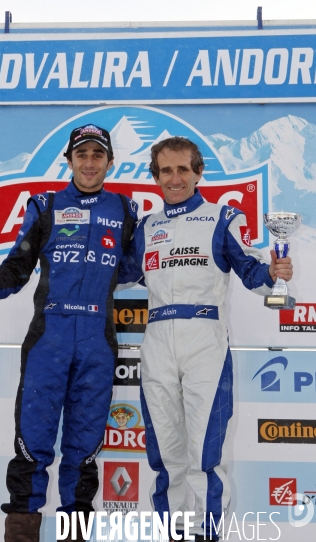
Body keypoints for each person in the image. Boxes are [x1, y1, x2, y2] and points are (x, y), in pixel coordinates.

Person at [0, 124, 138, 542]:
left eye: (97, 155)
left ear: (110, 162)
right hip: (48, 340)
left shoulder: (127, 212)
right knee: (32, 446)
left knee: (84, 449)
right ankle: (21, 533)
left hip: (98, 340)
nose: (89, 163)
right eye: (81, 155)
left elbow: (134, 269)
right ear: (69, 160)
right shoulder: (45, 205)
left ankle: (75, 533)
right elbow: (17, 268)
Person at [119, 136, 293, 542]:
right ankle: (172, 533)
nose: (175, 178)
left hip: (205, 341)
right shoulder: (148, 227)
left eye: (183, 169)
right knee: (166, 454)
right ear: (155, 177)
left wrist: (274, 274)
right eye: (166, 171)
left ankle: (207, 534)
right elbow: (115, 275)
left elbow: (252, 272)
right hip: (157, 339)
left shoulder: (221, 217)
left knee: (204, 455)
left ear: (198, 172)